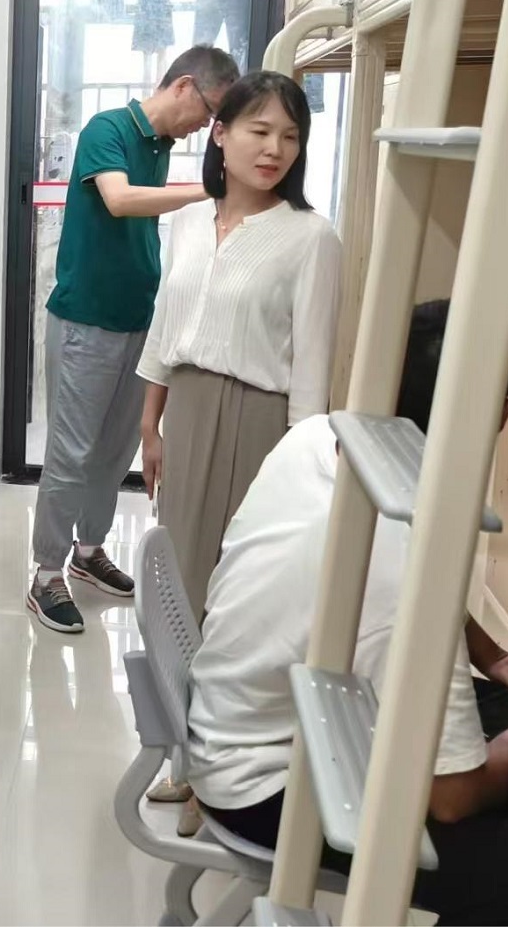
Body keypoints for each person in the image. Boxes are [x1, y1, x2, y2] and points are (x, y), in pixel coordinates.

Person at [187, 300, 508, 926]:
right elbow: (453, 798)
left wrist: (494, 657)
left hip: (246, 724)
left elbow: (406, 599)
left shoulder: (318, 438)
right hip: (268, 786)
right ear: (500, 416)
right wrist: (506, 753)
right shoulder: (402, 560)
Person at [29, 45, 240, 634]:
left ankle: (88, 551)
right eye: (210, 111)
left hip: (137, 322)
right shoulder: (109, 129)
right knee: (71, 454)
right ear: (184, 86)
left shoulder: (161, 145)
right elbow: (119, 200)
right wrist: (209, 192)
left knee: (114, 450)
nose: (206, 126)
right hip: (86, 322)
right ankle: (46, 573)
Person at [138, 71, 342, 616]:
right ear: (221, 133)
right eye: (261, 130)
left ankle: (217, 672)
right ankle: (173, 670)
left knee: (238, 581)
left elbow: (313, 364)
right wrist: (150, 427)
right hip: (185, 411)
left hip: (260, 422)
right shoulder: (187, 221)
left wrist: (300, 465)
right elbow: (164, 326)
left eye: (291, 136)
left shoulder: (312, 237)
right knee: (178, 567)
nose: (276, 149)